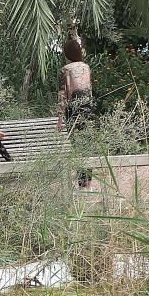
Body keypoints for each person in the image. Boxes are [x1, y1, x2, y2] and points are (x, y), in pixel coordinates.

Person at [58, 24, 93, 187]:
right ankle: (87, 177)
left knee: (76, 142)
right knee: (87, 140)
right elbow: (89, 88)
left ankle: (81, 179)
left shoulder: (65, 70)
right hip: (88, 106)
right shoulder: (86, 67)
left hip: (73, 107)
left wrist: (60, 118)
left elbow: (63, 94)